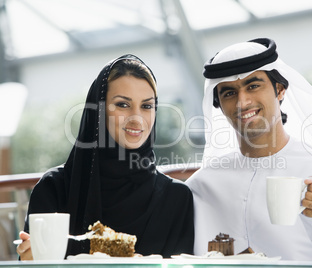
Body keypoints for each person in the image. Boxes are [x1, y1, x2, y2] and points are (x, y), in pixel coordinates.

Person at [185, 38, 312, 265]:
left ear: (280, 89)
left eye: (253, 86)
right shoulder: (201, 186)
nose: (242, 102)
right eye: (229, 93)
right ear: (219, 105)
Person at [16, 54, 194, 260]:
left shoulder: (176, 199)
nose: (137, 119)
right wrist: (29, 261)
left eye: (147, 106)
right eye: (123, 105)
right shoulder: (55, 189)